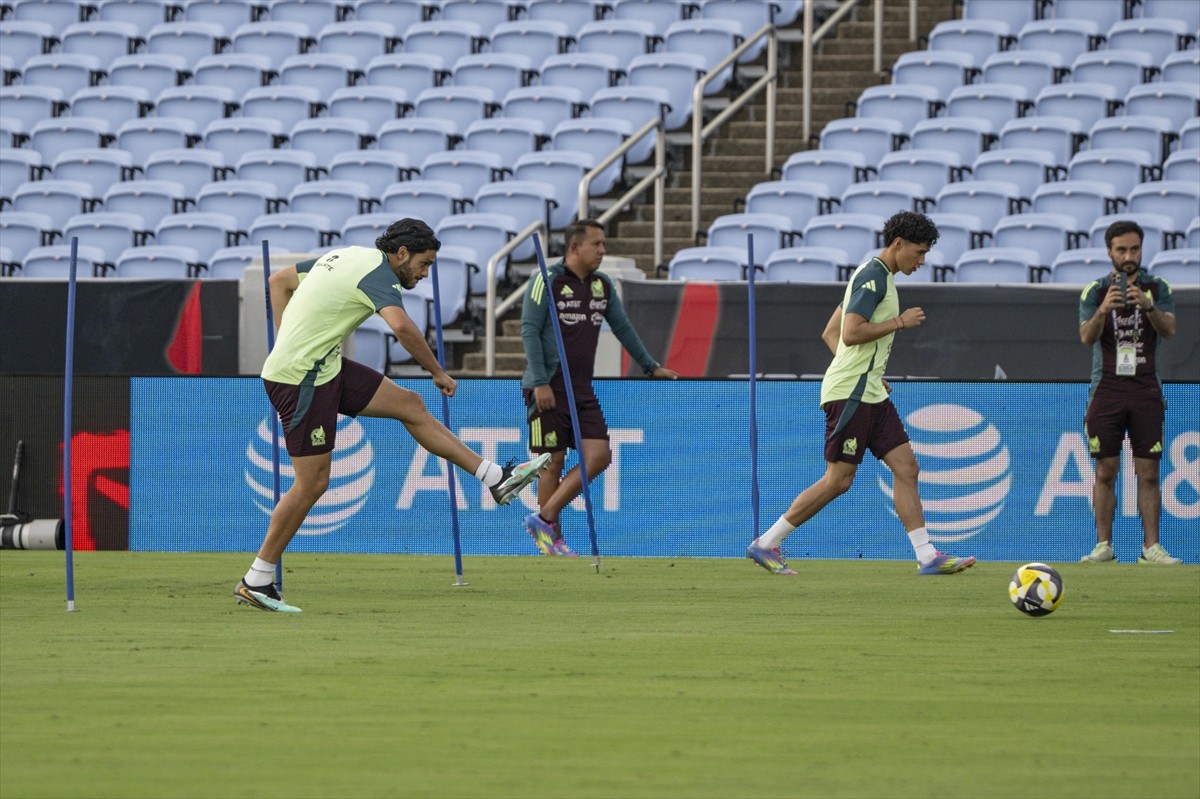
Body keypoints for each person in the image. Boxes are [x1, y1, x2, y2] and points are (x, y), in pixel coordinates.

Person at [234, 218, 550, 612]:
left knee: (411, 406)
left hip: (324, 367)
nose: (426, 272)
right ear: (402, 253)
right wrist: (437, 371)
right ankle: (257, 579)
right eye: (425, 263)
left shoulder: (347, 255)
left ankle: (495, 478)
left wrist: (287, 341)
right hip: (302, 379)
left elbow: (279, 280)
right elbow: (401, 328)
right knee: (312, 484)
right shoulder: (378, 275)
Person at [746, 211, 976, 576]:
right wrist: (898, 323)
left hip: (868, 390)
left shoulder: (875, 275)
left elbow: (830, 332)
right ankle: (767, 543)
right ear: (897, 244)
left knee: (907, 468)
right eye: (918, 253)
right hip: (852, 394)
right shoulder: (872, 278)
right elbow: (850, 333)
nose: (922, 261)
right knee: (839, 479)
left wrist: (868, 371)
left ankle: (927, 555)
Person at [520, 219, 678, 556]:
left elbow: (622, 328)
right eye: (597, 244)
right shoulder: (545, 281)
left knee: (600, 456)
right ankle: (551, 540)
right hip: (548, 385)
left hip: (581, 389)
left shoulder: (602, 286)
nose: (603, 251)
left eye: (604, 244)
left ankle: (544, 517)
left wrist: (651, 366)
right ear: (575, 247)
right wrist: (540, 381)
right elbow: (529, 331)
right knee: (552, 462)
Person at [1078, 220, 1179, 564]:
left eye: (1134, 248)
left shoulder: (1157, 286)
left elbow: (1170, 329)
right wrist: (1105, 309)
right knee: (1105, 470)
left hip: (1145, 389)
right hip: (1106, 389)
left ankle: (1151, 548)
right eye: (1121, 249)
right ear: (1110, 251)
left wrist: (1148, 306)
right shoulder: (1095, 290)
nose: (1128, 256)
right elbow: (1086, 337)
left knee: (1148, 471)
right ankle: (1103, 546)